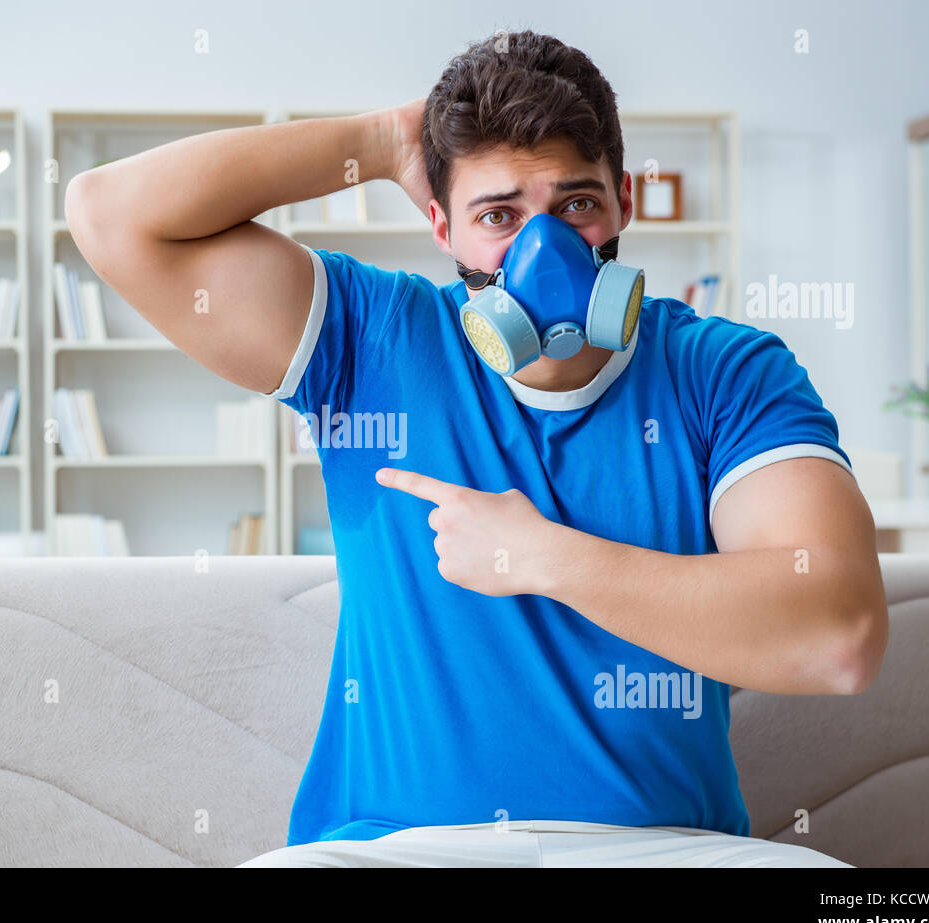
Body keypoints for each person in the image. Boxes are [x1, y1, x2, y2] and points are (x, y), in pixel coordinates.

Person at [66, 30, 887, 868]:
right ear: (441, 226)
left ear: (624, 203)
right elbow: (109, 215)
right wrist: (381, 142)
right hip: (398, 851)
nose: (547, 249)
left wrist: (545, 557)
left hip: (667, 849)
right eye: (499, 215)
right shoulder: (367, 340)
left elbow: (839, 633)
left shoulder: (725, 370)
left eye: (576, 204)